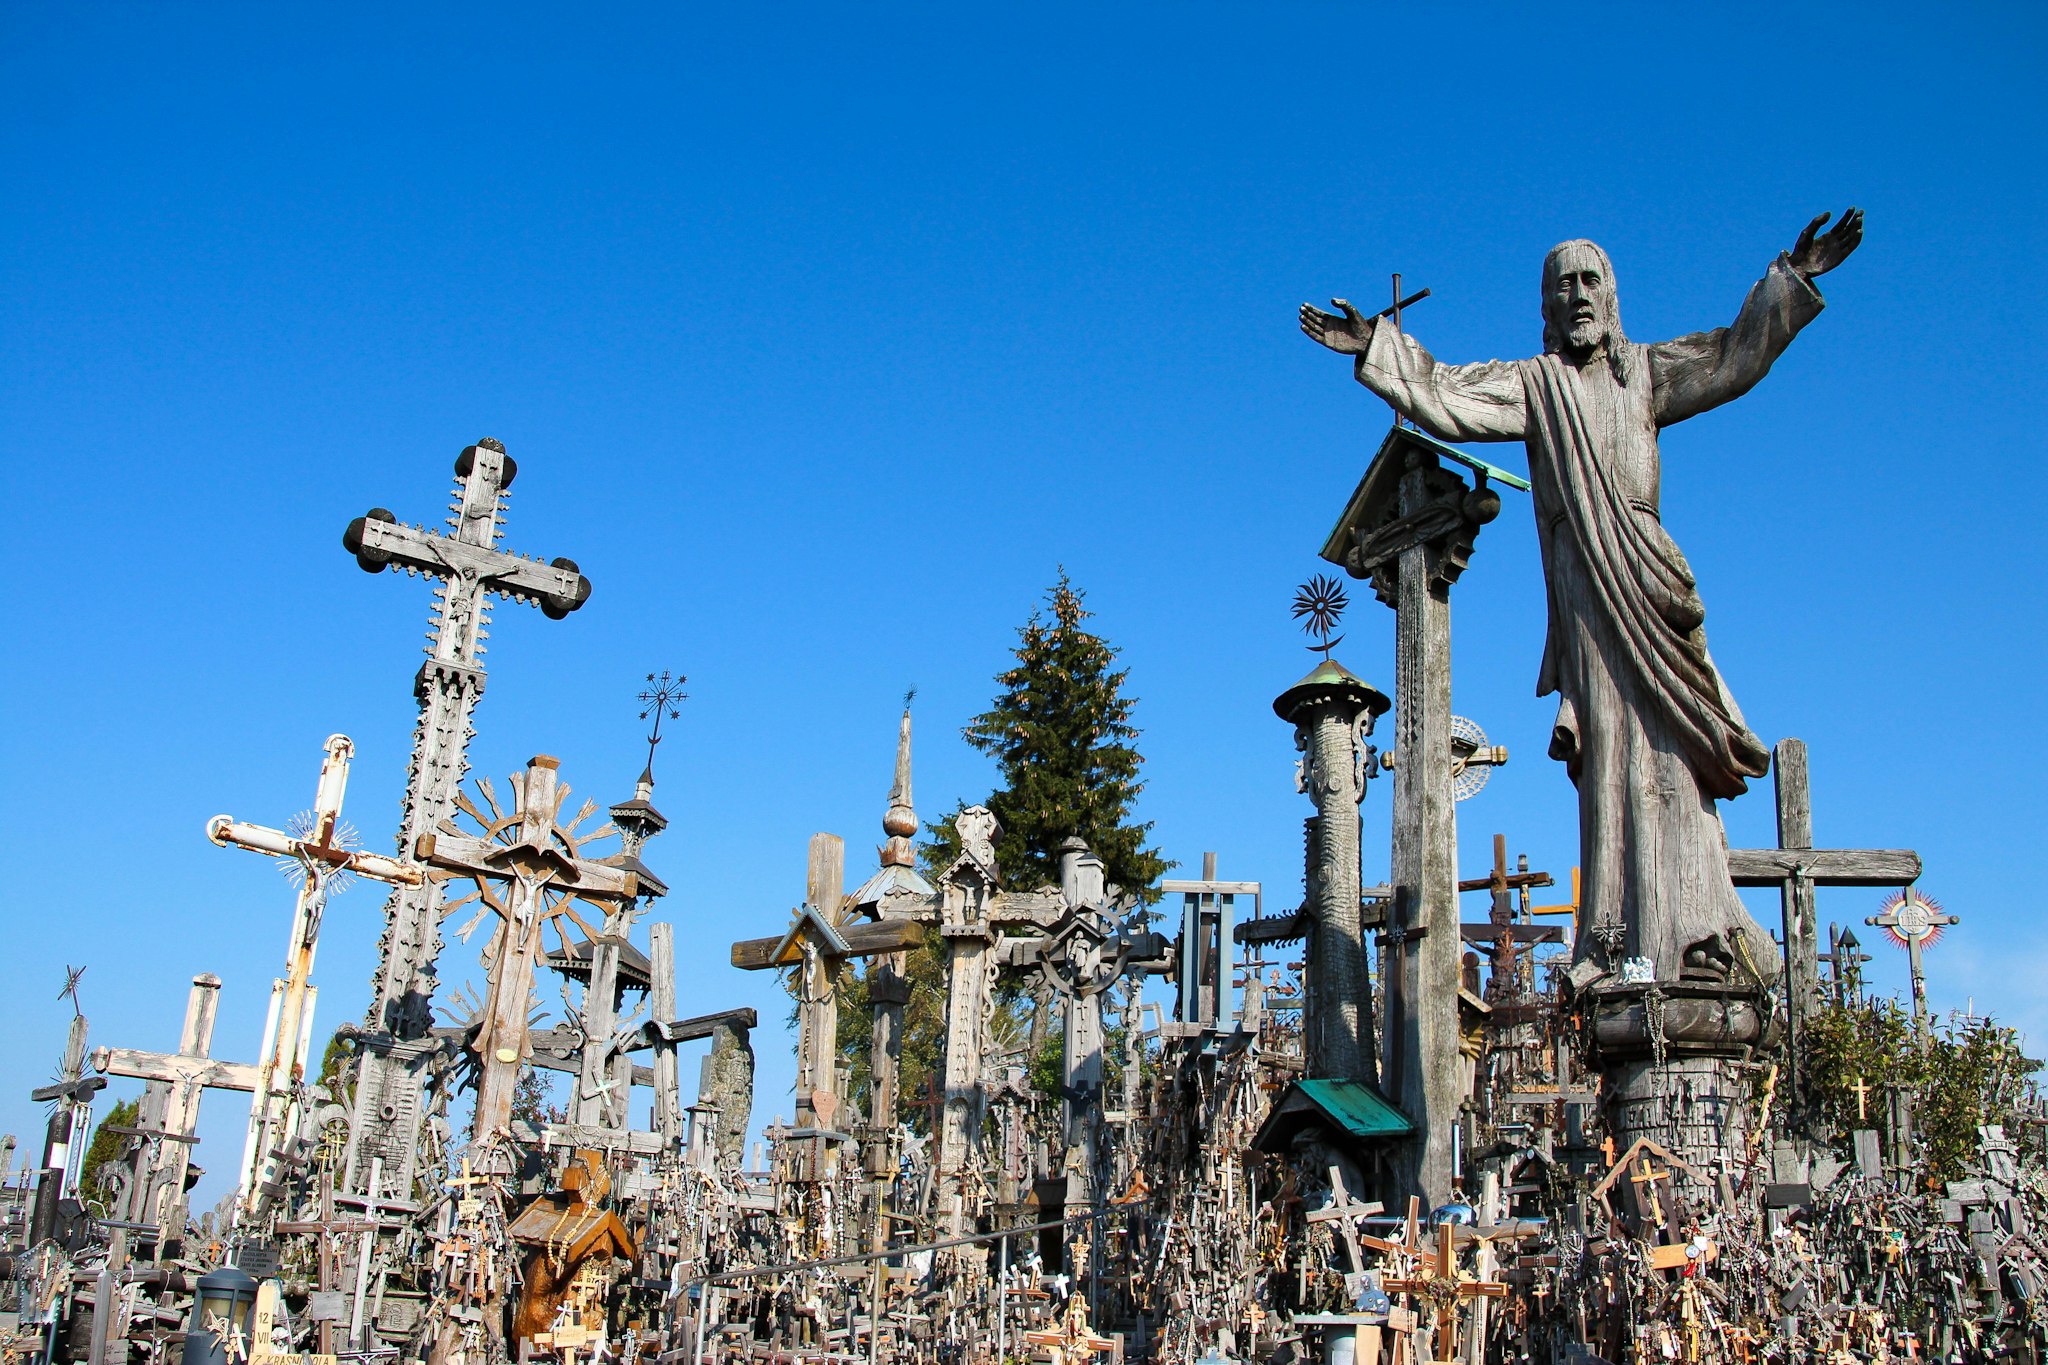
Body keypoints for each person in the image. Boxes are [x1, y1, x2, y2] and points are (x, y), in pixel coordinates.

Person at [1300, 211, 1863, 987]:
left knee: (1675, 757)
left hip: (1648, 579)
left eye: (1589, 279)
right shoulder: (1537, 385)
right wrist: (1376, 346)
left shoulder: (1648, 371)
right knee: (1612, 753)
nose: (1576, 296)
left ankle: (1699, 916)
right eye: (1560, 284)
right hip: (1587, 591)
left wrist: (1792, 281)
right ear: (1545, 305)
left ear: (1613, 294)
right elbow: (1450, 393)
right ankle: (1621, 929)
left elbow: (1734, 356)